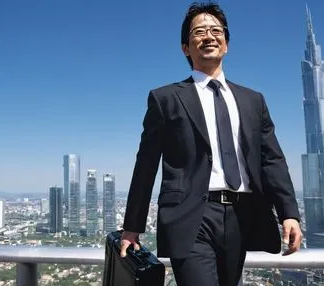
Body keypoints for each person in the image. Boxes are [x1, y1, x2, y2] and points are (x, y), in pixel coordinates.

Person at [120, 2, 303, 285]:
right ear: (185, 47)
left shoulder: (253, 100)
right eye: (199, 31)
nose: (209, 36)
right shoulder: (165, 98)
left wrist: (289, 213)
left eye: (216, 30)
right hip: (191, 215)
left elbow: (272, 160)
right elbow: (145, 164)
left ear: (226, 44)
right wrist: (132, 227)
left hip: (243, 214)